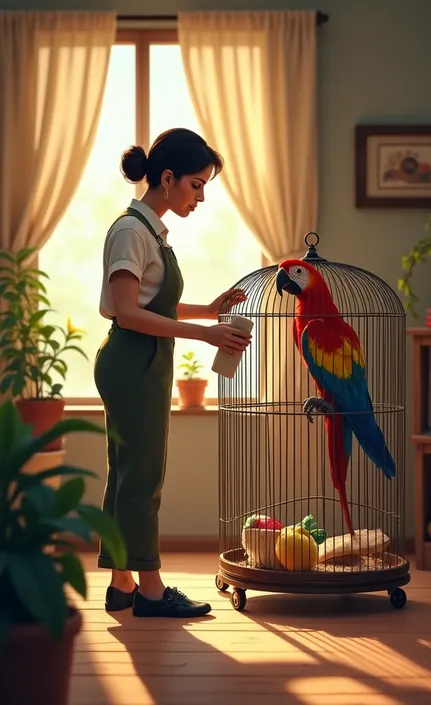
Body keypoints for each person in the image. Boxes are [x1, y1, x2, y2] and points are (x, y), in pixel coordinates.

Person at [94, 128, 251, 618]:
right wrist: (203, 335)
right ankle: (152, 591)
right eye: (197, 184)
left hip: (143, 360)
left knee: (127, 474)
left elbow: (149, 301)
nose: (201, 197)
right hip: (133, 360)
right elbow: (126, 312)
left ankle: (123, 582)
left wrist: (209, 309)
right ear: (167, 178)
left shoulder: (148, 230)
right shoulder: (130, 232)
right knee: (143, 477)